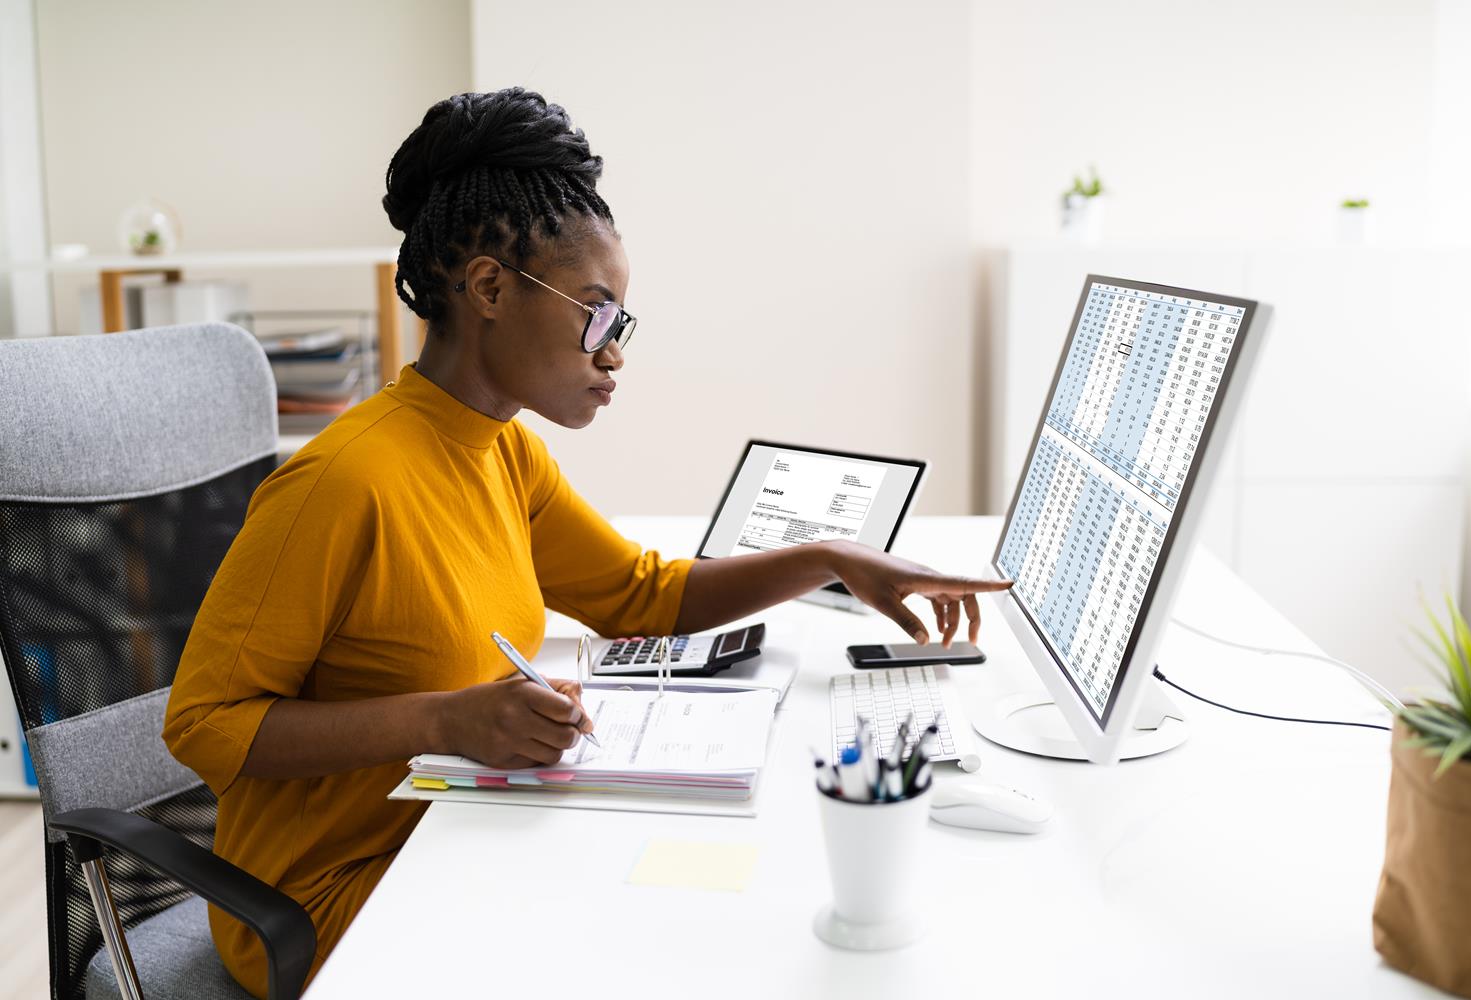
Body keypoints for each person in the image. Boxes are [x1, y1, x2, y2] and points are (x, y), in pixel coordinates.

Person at [162, 87, 1012, 996]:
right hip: (333, 900)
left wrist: (831, 558)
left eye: (622, 324)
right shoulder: (341, 483)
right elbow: (205, 726)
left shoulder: (505, 453)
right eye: (597, 315)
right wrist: (447, 720)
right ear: (490, 288)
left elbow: (646, 598)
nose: (614, 355)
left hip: (461, 835)